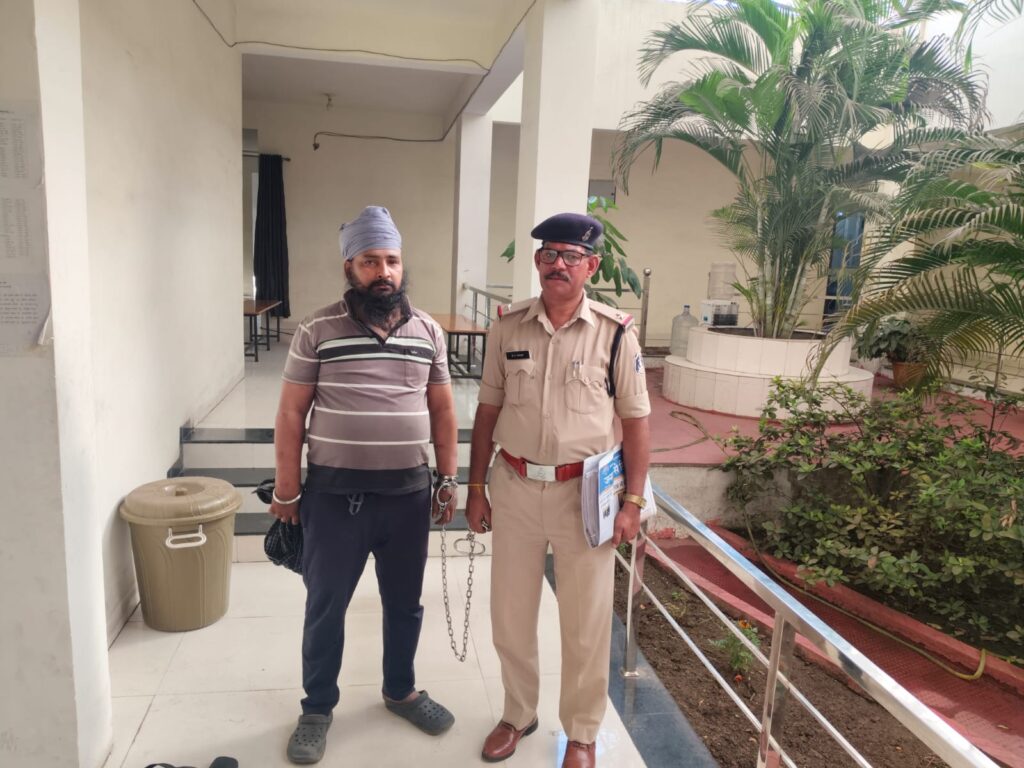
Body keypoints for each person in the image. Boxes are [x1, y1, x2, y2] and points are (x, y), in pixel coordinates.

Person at [271, 206, 459, 765]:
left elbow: (443, 410)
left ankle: (400, 690)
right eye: (370, 261)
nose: (384, 272)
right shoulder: (317, 329)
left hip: (407, 497)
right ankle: (317, 708)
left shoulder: (428, 331)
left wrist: (448, 479)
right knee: (326, 605)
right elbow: (291, 413)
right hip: (335, 500)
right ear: (349, 267)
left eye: (392, 260)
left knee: (405, 603)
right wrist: (286, 491)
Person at [466, 212, 651, 768]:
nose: (558, 264)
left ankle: (583, 733)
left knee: (586, 622)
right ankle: (518, 713)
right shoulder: (508, 327)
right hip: (516, 485)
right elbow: (488, 410)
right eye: (549, 254)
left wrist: (633, 502)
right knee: (510, 614)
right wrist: (475, 487)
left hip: (585, 496)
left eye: (572, 256)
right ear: (537, 262)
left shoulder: (615, 333)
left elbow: (637, 423)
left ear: (592, 266)